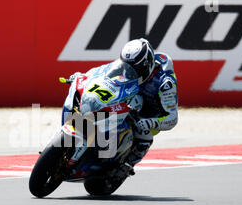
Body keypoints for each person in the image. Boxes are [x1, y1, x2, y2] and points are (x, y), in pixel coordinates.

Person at [67, 38, 178, 167]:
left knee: (144, 135)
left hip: (150, 114)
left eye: (135, 69)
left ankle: (126, 165)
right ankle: (97, 138)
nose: (130, 71)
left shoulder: (165, 84)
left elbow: (172, 118)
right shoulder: (131, 63)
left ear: (147, 66)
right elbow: (103, 71)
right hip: (131, 95)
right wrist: (84, 76)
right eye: (126, 66)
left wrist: (150, 122)